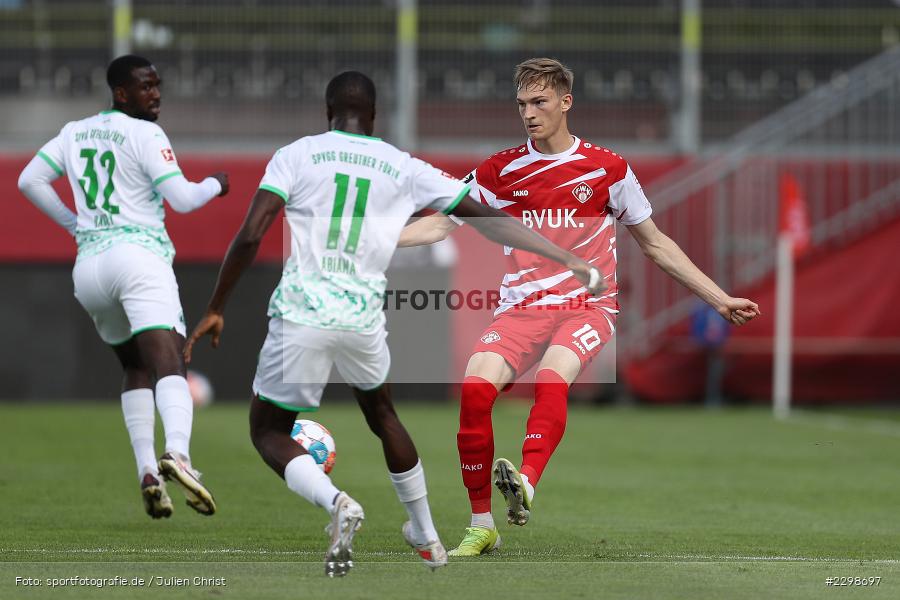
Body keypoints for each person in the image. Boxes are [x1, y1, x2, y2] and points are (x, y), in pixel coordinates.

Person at [183, 71, 605, 577]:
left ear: (327, 112)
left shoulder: (296, 155)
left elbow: (252, 234)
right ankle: (426, 533)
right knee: (384, 417)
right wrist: (566, 257)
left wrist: (216, 305)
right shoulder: (399, 164)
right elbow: (489, 219)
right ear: (375, 116)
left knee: (268, 428)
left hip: (302, 311)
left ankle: (336, 501)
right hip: (362, 315)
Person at [397, 58, 761, 556]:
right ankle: (482, 525)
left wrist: (719, 299)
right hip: (522, 309)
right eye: (521, 104)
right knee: (475, 392)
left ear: (566, 102)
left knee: (553, 378)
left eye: (539, 102)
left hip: (587, 307)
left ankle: (526, 481)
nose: (528, 113)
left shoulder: (609, 170)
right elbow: (441, 224)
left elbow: (655, 243)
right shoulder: (498, 171)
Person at [17, 55, 228, 520]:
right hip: (138, 259)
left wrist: (74, 224)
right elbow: (183, 199)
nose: (156, 94)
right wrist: (217, 183)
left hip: (90, 268)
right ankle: (179, 454)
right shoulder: (146, 134)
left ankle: (148, 472)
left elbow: (28, 180)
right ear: (120, 93)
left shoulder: (74, 132)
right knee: (169, 359)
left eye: (157, 84)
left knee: (135, 365)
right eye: (145, 86)